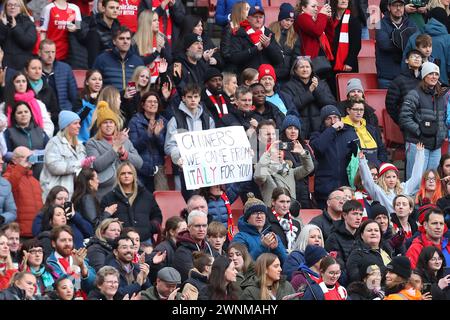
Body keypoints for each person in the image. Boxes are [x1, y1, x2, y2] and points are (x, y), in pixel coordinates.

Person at [164, 83, 215, 200]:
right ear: (183, 98)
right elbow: (169, 146)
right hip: (182, 169)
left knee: (205, 202)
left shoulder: (208, 119)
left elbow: (213, 144)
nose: (193, 100)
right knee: (184, 203)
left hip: (205, 169)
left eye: (196, 97)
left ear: (200, 98)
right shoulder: (175, 119)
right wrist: (178, 158)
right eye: (189, 97)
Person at [399, 62, 448, 180]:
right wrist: (421, 131)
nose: (434, 77)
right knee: (415, 182)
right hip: (418, 144)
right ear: (424, 75)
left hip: (436, 146)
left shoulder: (440, 95)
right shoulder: (414, 94)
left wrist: (442, 134)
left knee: (431, 182)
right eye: (431, 73)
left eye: (436, 74)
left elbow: (443, 118)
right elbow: (404, 117)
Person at [86, 101, 143, 199]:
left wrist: (124, 153)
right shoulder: (92, 143)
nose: (108, 125)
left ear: (115, 125)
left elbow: (139, 163)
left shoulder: (125, 141)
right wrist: (115, 148)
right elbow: (97, 165)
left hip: (127, 189)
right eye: (105, 123)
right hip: (105, 191)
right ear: (100, 126)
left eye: (111, 122)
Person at [100, 162, 162, 244]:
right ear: (118, 176)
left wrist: (149, 228)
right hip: (120, 242)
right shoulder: (108, 198)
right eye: (123, 173)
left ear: (134, 175)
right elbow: (103, 223)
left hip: (144, 240)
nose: (126, 176)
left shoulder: (147, 196)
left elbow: (157, 216)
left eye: (129, 173)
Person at [40, 111, 94, 201]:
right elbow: (54, 166)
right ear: (66, 125)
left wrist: (88, 166)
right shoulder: (54, 143)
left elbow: (83, 167)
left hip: (76, 194)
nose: (79, 126)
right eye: (75, 123)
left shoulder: (80, 145)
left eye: (79, 123)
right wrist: (79, 164)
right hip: (58, 195)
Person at [358, 143, 425, 213]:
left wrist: (420, 154)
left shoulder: (403, 188)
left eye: (394, 177)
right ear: (382, 179)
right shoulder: (378, 191)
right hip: (387, 221)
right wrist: (362, 161)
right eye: (388, 177)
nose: (391, 180)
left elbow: (416, 178)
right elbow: (367, 181)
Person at [309, 106, 353, 207]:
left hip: (345, 188)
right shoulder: (316, 136)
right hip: (325, 190)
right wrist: (332, 130)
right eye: (328, 118)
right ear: (323, 121)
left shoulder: (349, 133)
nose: (333, 122)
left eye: (335, 117)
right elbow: (319, 148)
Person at [282, 56, 337, 139]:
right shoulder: (288, 87)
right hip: (300, 130)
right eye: (301, 67)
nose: (305, 70)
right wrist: (309, 92)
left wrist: (316, 89)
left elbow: (330, 104)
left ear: (311, 69)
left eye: (307, 67)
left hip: (320, 129)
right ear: (295, 70)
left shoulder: (321, 84)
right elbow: (291, 106)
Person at [254, 131, 314, 206]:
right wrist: (268, 152)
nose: (279, 152)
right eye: (275, 150)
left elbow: (308, 168)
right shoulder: (263, 170)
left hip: (290, 213)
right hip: (272, 213)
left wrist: (302, 152)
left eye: (281, 150)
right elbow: (259, 177)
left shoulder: (290, 171)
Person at [232, 193, 288, 264]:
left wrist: (277, 248)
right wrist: (263, 246)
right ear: (247, 219)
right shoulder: (240, 238)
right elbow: (242, 264)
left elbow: (286, 263)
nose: (259, 216)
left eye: (262, 213)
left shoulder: (272, 236)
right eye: (254, 213)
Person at [228, 6, 284, 75]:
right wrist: (255, 49)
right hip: (247, 77)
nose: (258, 20)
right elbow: (234, 58)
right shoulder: (239, 34)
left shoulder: (269, 34)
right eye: (255, 17)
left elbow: (279, 60)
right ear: (248, 19)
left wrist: (268, 46)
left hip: (266, 77)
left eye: (261, 17)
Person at [375, 0, 417, 89]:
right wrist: (405, 42)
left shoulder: (411, 23)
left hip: (406, 76)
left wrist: (394, 39)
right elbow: (385, 45)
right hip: (386, 77)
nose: (398, 8)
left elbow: (416, 43)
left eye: (401, 5)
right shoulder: (380, 24)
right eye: (395, 5)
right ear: (388, 7)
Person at [46, 225, 96, 299]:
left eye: (70, 240)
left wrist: (83, 267)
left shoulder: (79, 258)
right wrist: (74, 267)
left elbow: (93, 284)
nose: (68, 244)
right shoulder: (50, 263)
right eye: (63, 240)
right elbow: (62, 286)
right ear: (53, 243)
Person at [3, 146, 43, 237]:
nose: (29, 160)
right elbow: (8, 189)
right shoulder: (7, 176)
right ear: (14, 160)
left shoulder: (35, 181)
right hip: (18, 234)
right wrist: (21, 167)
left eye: (30, 156)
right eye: (25, 157)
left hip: (36, 232)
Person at [0, 72, 54, 138]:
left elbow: (48, 124)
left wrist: (41, 138)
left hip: (37, 140)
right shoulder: (4, 105)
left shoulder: (39, 103)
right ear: (12, 84)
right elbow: (3, 126)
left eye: (24, 81)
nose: (21, 84)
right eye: (17, 82)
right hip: (13, 141)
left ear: (27, 83)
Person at [93, 26, 145, 91]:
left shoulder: (138, 62)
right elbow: (93, 83)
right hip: (109, 100)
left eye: (128, 38)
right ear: (114, 41)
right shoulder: (102, 59)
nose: (125, 41)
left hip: (132, 100)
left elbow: (143, 86)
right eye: (121, 38)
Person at [173, 210, 217, 282]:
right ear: (189, 227)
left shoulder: (208, 246)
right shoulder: (182, 252)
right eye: (197, 226)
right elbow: (194, 276)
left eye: (204, 225)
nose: (201, 229)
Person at [342, 99, 388, 166]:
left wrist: (379, 164)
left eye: (361, 110)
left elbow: (381, 149)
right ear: (348, 110)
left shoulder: (371, 129)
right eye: (355, 109)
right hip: (356, 170)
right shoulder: (343, 129)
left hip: (375, 169)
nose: (359, 112)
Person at [38, 39, 78, 111]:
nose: (50, 55)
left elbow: (74, 96)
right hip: (41, 113)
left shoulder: (65, 69)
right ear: (39, 53)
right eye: (47, 52)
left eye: (53, 52)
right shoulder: (34, 69)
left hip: (63, 112)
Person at [386, 49, 423, 125]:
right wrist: (402, 121)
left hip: (426, 124)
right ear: (406, 60)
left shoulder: (425, 80)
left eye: (419, 57)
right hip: (409, 125)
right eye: (413, 56)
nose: (416, 58)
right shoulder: (398, 81)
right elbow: (390, 105)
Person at [24, 57, 59, 134]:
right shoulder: (23, 88)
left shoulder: (48, 89)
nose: (37, 71)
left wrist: (48, 116)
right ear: (26, 71)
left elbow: (56, 113)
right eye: (33, 68)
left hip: (46, 127)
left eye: (39, 68)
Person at [0, 0, 37, 70]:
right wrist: (3, 26)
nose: (12, 7)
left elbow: (28, 43)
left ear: (21, 8)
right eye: (9, 5)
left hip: (23, 67)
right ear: (5, 8)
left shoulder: (28, 23)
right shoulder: (2, 24)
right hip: (5, 67)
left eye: (15, 5)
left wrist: (15, 28)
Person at [325, 200, 364, 267]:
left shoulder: (363, 235)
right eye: (354, 214)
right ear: (344, 215)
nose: (358, 218)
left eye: (360, 214)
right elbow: (337, 265)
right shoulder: (334, 238)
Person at [269, 3, 301, 83]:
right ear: (280, 18)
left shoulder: (294, 36)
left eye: (292, 21)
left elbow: (295, 57)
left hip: (287, 77)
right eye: (287, 20)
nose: (289, 23)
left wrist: (292, 74)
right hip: (271, 75)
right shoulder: (270, 31)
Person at [148, 216, 187, 283]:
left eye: (187, 229)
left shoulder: (182, 246)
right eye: (183, 230)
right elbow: (156, 275)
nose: (186, 232)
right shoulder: (162, 249)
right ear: (172, 232)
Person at [328, 0, 361, 75]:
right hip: (331, 63)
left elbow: (356, 45)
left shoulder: (354, 20)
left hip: (347, 65)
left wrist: (349, 62)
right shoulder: (330, 19)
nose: (344, 1)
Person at [85, 0, 121, 68]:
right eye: (112, 8)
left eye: (117, 8)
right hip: (102, 69)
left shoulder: (118, 28)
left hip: (117, 66)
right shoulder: (94, 30)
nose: (115, 10)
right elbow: (93, 60)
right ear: (104, 9)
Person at [266, 187, 302, 253]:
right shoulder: (266, 222)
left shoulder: (296, 224)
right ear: (273, 202)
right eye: (282, 202)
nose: (285, 205)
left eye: (288, 202)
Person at [72, 69, 103, 144]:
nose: (97, 82)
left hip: (101, 142)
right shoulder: (80, 98)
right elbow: (77, 119)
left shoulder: (104, 99)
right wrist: (91, 102)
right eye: (94, 79)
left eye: (100, 79)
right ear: (87, 82)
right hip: (83, 142)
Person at [220, 1, 250, 74]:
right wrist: (237, 57)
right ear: (239, 11)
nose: (250, 11)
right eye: (247, 9)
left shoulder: (250, 28)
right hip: (233, 69)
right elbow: (225, 53)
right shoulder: (229, 28)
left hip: (247, 67)